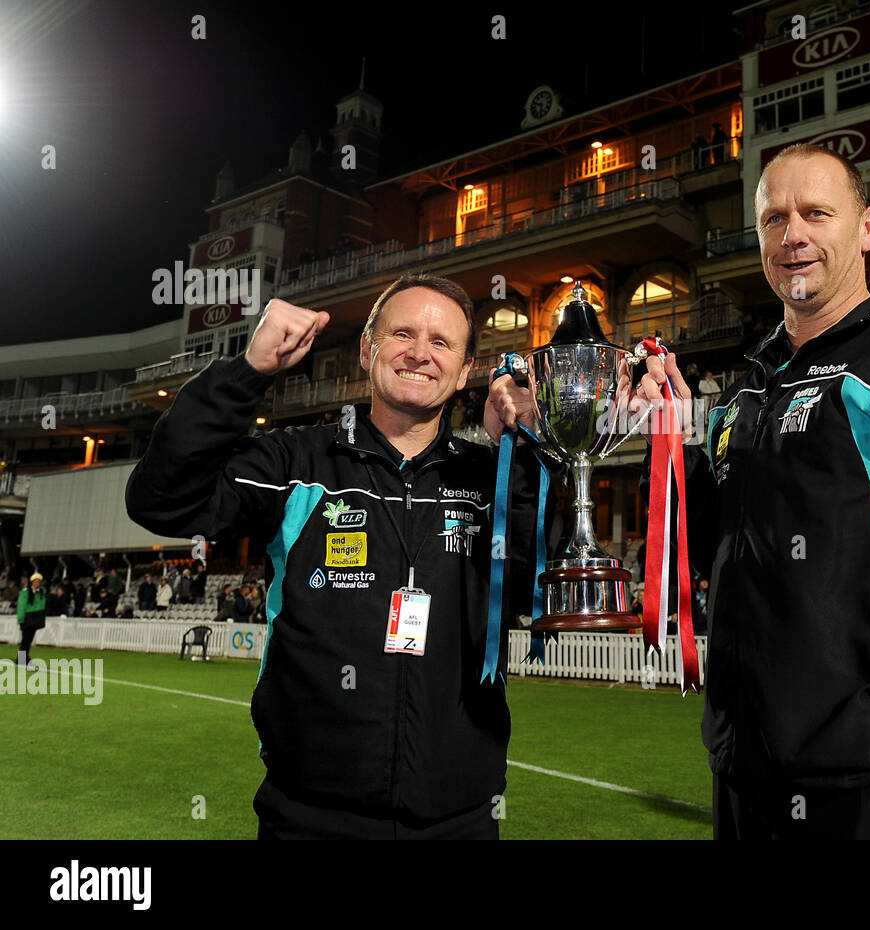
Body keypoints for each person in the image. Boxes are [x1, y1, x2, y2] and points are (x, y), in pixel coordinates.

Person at [505, 142, 870, 839]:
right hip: (743, 767)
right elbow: (709, 548)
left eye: (817, 213)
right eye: (773, 219)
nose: (792, 235)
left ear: (867, 228)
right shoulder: (746, 392)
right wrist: (675, 438)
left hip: (869, 778)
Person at [126, 273, 552, 840]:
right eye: (402, 333)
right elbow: (162, 501)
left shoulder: (490, 479)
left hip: (461, 817)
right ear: (366, 348)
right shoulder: (297, 462)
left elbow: (533, 592)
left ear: (466, 368)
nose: (420, 353)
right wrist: (246, 374)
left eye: (441, 341)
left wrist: (519, 458)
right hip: (309, 815)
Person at [16, 572, 47, 667]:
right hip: (27, 618)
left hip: (36, 617)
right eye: (36, 581)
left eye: (39, 581)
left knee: (29, 640)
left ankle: (24, 658)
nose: (37, 583)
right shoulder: (26, 592)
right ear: (32, 582)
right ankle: (22, 659)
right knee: (26, 640)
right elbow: (21, 606)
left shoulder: (41, 592)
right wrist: (21, 620)